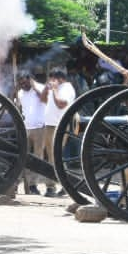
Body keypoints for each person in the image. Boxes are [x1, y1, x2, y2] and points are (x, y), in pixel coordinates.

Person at [42, 68, 76, 197]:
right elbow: (43, 100)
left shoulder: (67, 88)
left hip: (59, 126)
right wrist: (46, 90)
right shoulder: (55, 88)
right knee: (52, 156)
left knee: (55, 157)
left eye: (52, 78)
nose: (51, 81)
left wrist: (55, 89)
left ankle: (56, 186)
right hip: (49, 124)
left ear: (59, 79)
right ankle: (61, 185)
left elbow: (61, 104)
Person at [14, 71, 49, 195]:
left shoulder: (40, 88)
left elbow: (46, 100)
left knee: (37, 158)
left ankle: (32, 185)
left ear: (30, 79)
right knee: (22, 157)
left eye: (25, 82)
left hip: (40, 128)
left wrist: (34, 87)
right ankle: (16, 184)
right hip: (26, 128)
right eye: (20, 83)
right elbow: (18, 108)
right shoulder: (20, 92)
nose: (23, 85)